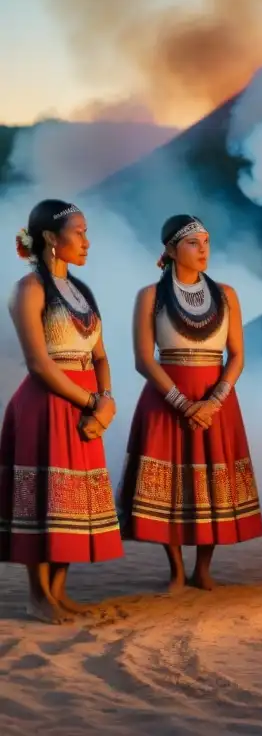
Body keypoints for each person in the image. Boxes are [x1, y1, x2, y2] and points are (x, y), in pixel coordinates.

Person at [118, 215, 262, 591]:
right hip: (167, 398)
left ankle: (203, 568)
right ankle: (176, 570)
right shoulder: (150, 296)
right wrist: (184, 404)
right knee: (170, 483)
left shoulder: (227, 294)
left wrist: (214, 401)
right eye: (193, 243)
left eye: (206, 242)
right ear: (170, 249)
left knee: (209, 483)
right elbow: (144, 359)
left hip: (216, 401)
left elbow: (237, 356)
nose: (203, 250)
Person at [0, 200, 123, 622]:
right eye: (79, 232)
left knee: (71, 502)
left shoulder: (82, 291)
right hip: (46, 404)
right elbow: (38, 362)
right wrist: (93, 402)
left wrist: (105, 398)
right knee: (42, 499)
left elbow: (101, 355)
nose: (87, 241)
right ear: (51, 238)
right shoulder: (29, 290)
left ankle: (58, 591)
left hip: (85, 406)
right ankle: (37, 596)